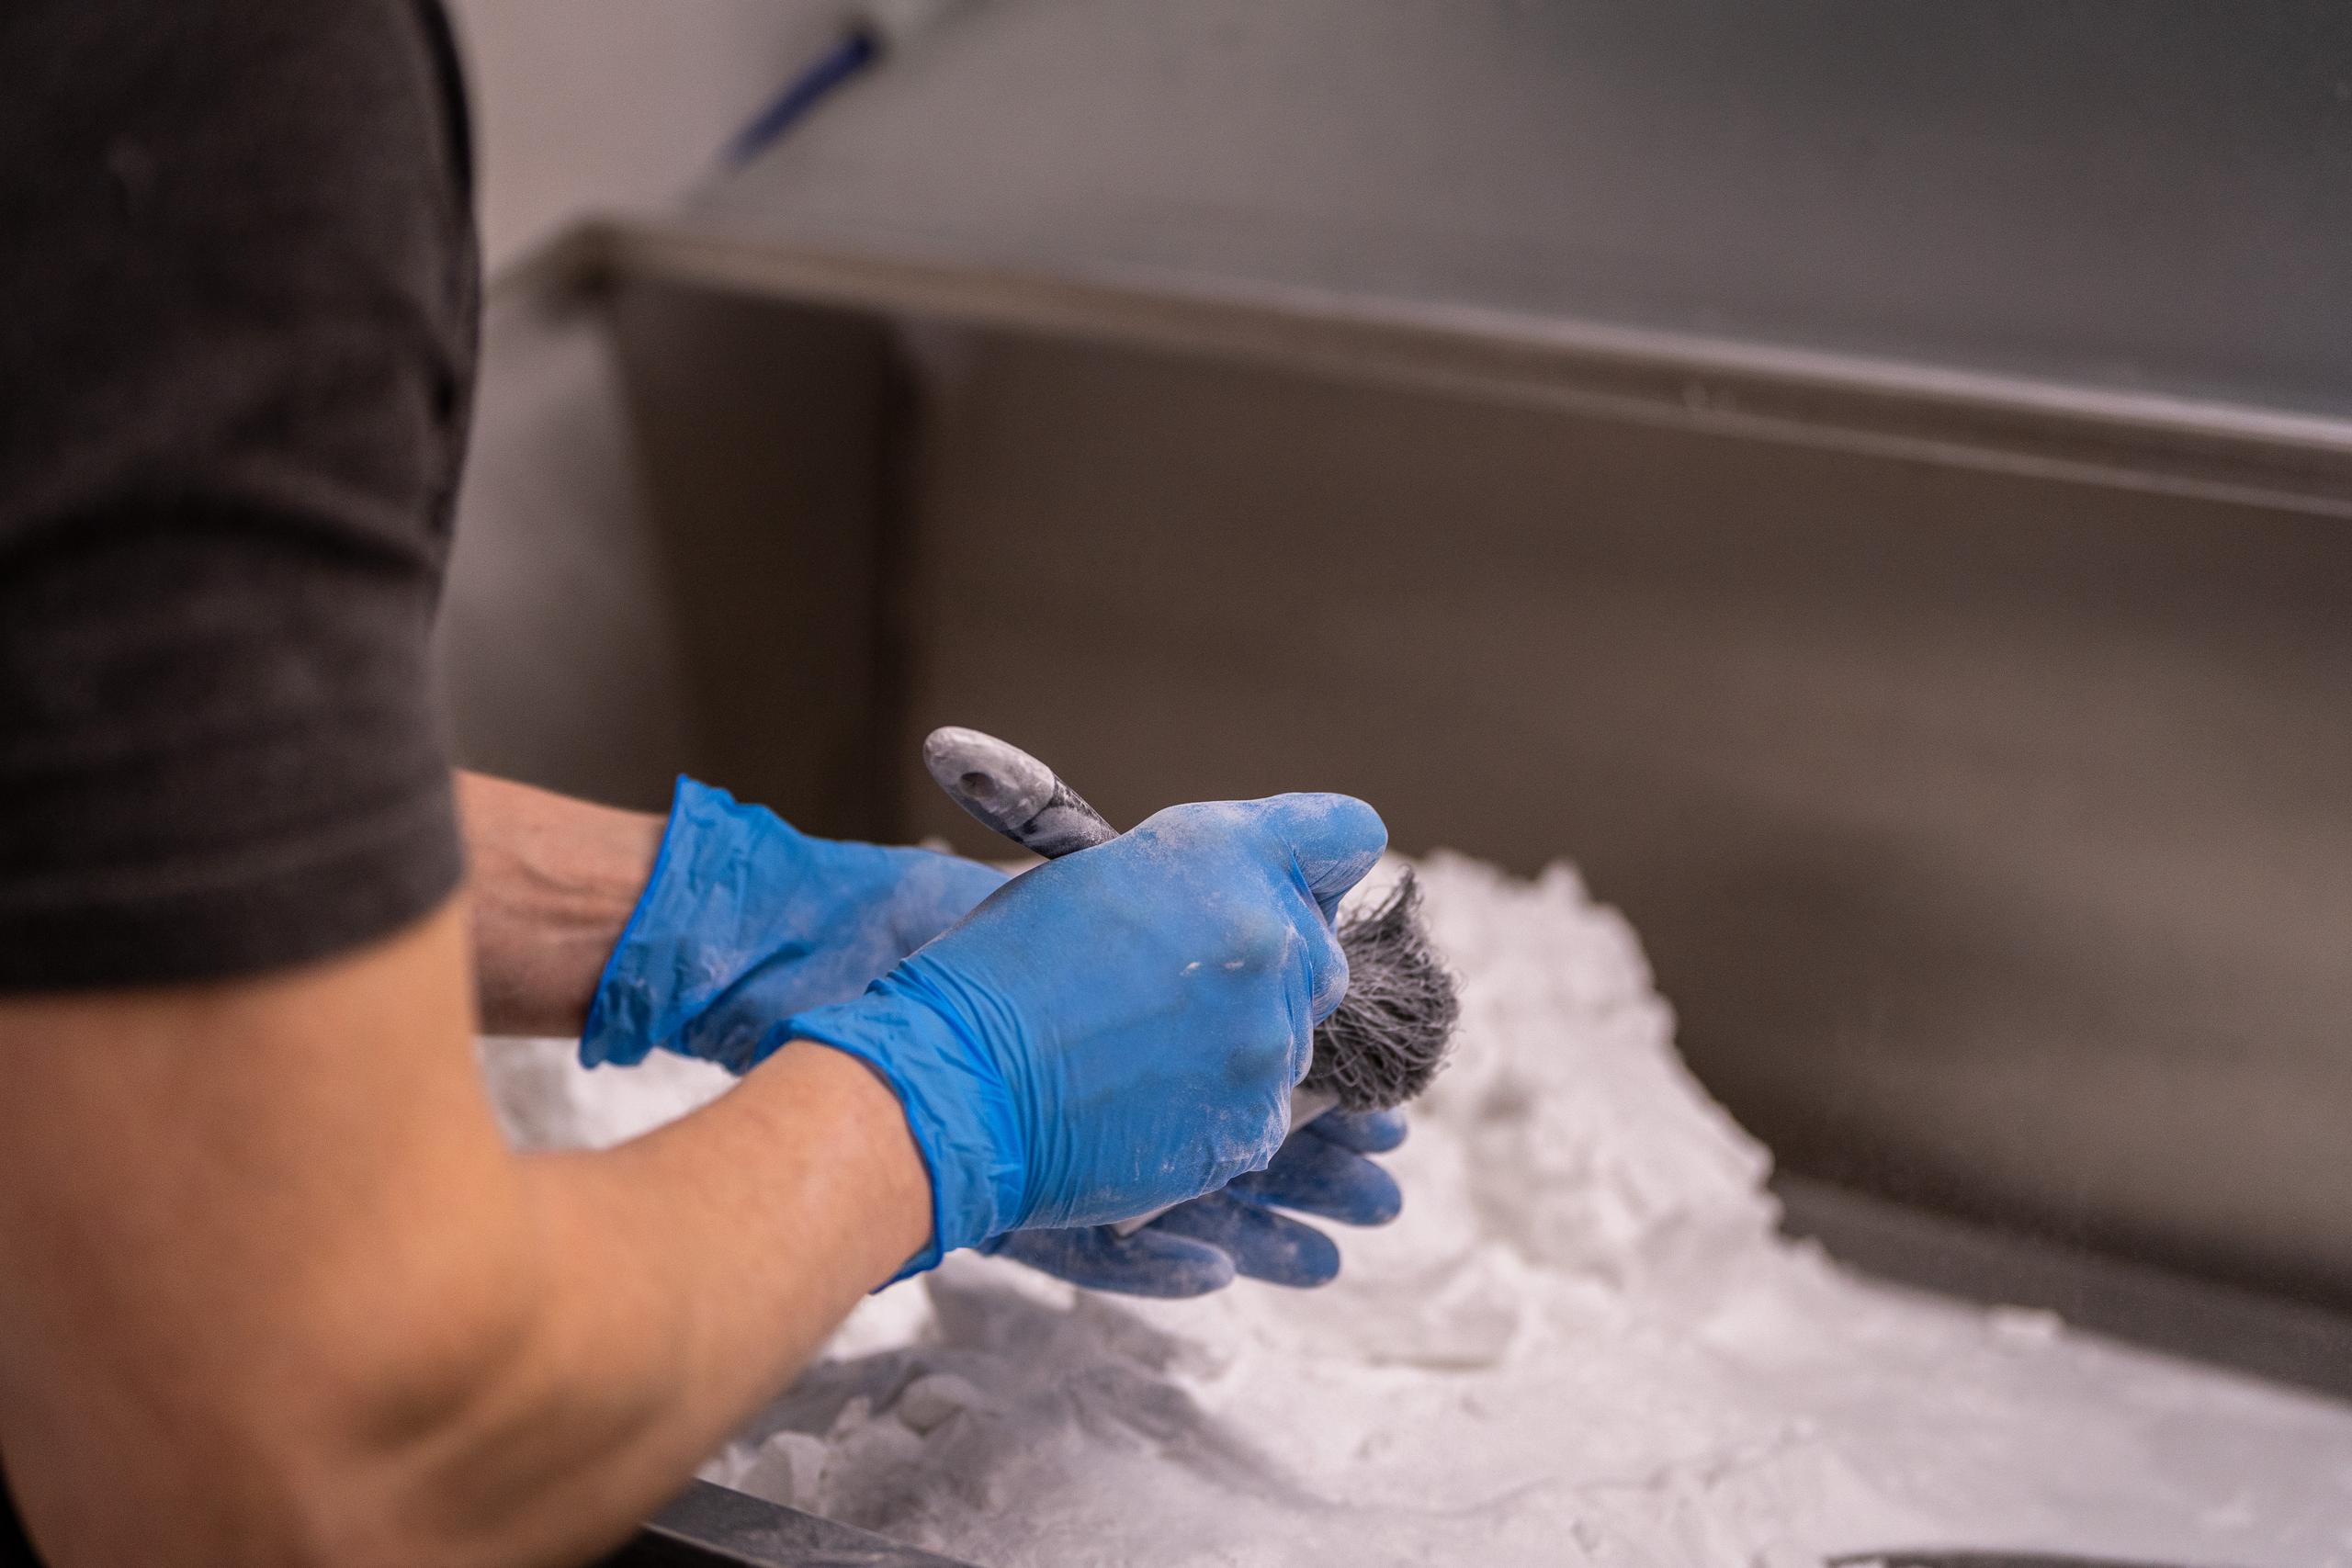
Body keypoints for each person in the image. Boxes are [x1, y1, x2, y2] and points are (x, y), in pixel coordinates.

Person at [0, 4, 1404, 1564]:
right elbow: (319, 1459)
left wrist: (728, 919)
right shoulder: (207, 73)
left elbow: (76, 795)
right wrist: (951, 1101)